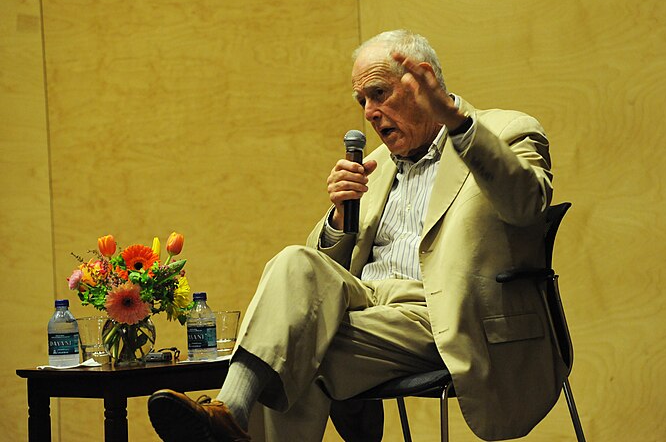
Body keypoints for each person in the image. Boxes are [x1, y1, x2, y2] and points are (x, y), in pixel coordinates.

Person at [147, 30, 564, 442]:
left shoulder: (505, 130)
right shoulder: (376, 164)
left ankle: (229, 414)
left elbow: (526, 205)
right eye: (362, 100)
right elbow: (314, 275)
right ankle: (232, 412)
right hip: (367, 306)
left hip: (441, 313)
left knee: (293, 351)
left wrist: (457, 122)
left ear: (423, 83)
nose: (368, 111)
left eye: (379, 94)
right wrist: (339, 215)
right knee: (294, 266)